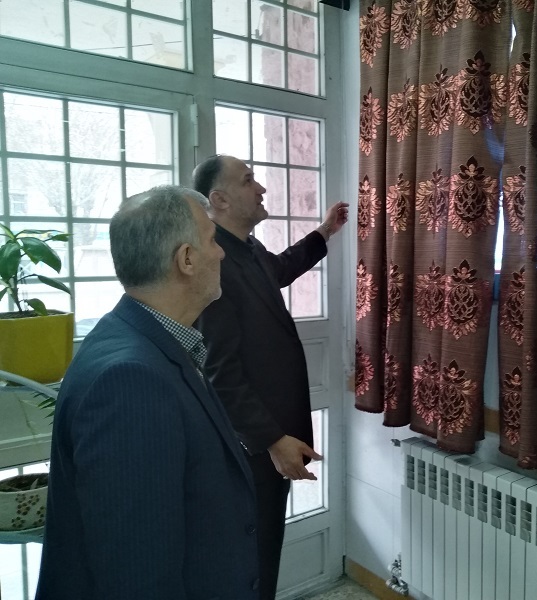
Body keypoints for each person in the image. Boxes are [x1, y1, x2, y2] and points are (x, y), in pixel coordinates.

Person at [36, 186, 261, 600]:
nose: (221, 254)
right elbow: (137, 573)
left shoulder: (149, 339)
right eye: (213, 240)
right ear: (186, 259)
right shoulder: (130, 381)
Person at [192, 155, 348, 600]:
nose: (261, 188)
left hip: (271, 436)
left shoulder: (248, 248)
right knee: (253, 558)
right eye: (248, 181)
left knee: (264, 550)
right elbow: (220, 371)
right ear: (220, 199)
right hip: (253, 445)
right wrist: (273, 441)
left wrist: (324, 233)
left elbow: (279, 269)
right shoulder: (215, 264)